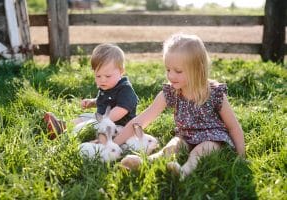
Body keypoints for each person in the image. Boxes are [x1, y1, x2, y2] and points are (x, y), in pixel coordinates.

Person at [114, 33, 245, 178]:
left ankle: (184, 171)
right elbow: (142, 120)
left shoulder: (215, 93)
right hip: (185, 135)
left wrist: (242, 157)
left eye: (178, 71)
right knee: (171, 147)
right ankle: (147, 162)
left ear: (197, 69)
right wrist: (113, 143)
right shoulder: (171, 92)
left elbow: (234, 127)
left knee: (200, 151)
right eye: (168, 69)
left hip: (213, 137)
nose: (171, 76)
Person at [44, 43, 139, 139]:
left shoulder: (125, 90)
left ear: (121, 71)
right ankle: (62, 126)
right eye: (98, 76)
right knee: (84, 117)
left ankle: (68, 134)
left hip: (120, 127)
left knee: (89, 123)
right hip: (101, 119)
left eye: (108, 76)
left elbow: (121, 109)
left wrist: (103, 120)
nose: (102, 80)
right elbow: (104, 101)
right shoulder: (107, 86)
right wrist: (93, 102)